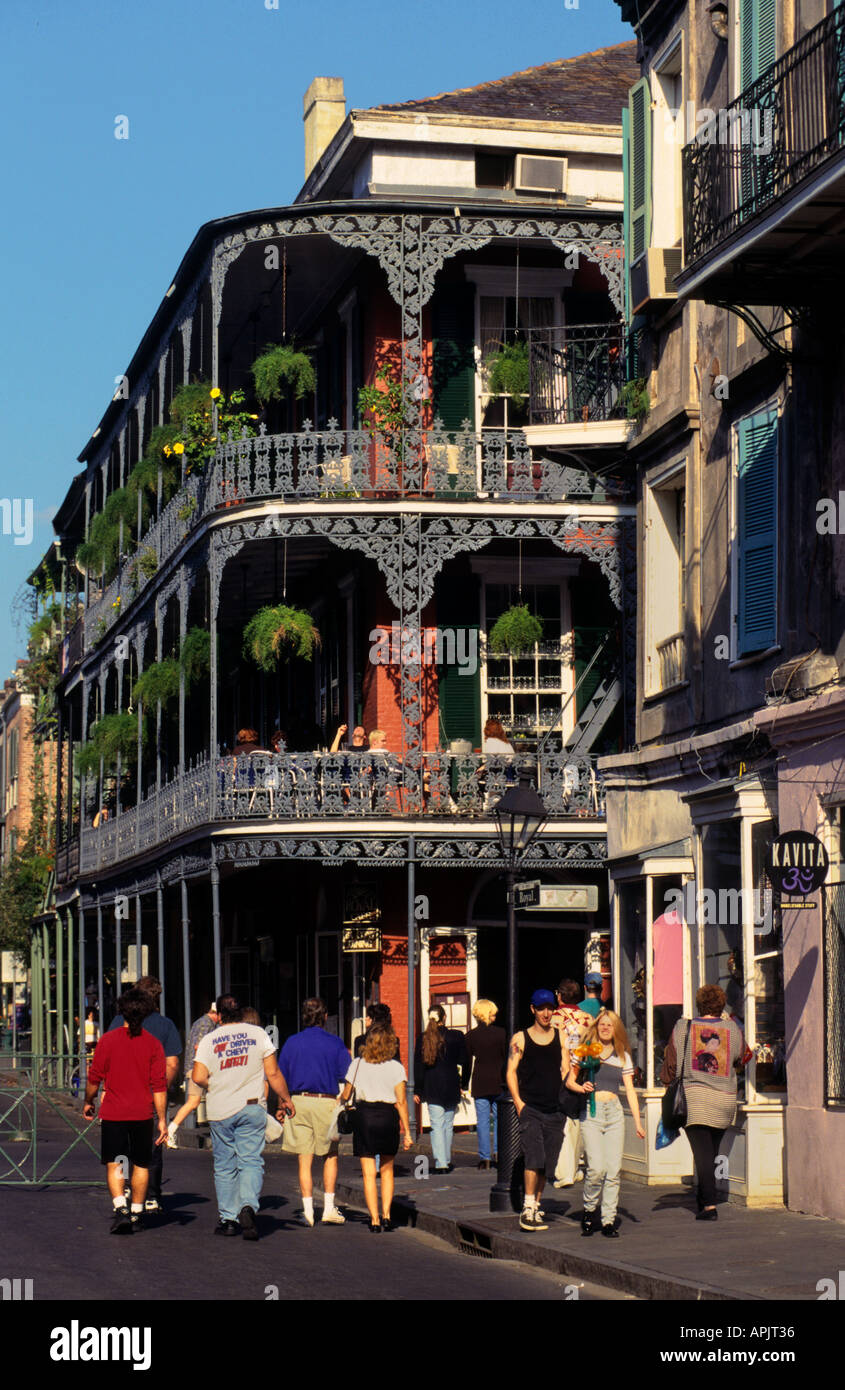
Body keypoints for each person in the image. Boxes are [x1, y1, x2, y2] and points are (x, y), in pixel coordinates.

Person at [192, 994, 295, 1240]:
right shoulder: (258, 1034)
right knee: (250, 1160)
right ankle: (248, 1205)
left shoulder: (209, 1040)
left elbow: (197, 1077)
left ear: (219, 1014)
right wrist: (285, 1098)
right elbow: (273, 1072)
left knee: (225, 1165)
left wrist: (215, 1084)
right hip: (251, 1106)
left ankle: (228, 1219)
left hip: (220, 1109)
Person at [83, 988, 168, 1234]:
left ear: (121, 1011)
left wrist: (88, 1101)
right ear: (146, 1014)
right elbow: (159, 1086)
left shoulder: (107, 1041)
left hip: (114, 1113)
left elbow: (94, 1078)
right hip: (142, 1113)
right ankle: (137, 1212)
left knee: (117, 1162)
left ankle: (120, 1207)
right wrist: (161, 1119)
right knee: (141, 1164)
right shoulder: (153, 1044)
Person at [661, 984, 745, 1221]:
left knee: (702, 1154)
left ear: (699, 1004)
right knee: (711, 1151)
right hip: (725, 1099)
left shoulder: (683, 1026)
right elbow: (741, 1056)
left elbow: (671, 1060)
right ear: (722, 1005)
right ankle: (703, 1198)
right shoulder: (732, 1029)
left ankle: (709, 1205)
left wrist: (666, 1082)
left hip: (695, 1098)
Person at [566, 1009, 644, 1238]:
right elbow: (570, 1079)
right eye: (602, 1024)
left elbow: (629, 1090)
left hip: (614, 1114)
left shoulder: (622, 1056)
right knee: (596, 1168)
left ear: (616, 1028)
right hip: (592, 1112)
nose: (606, 1028)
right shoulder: (586, 1050)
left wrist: (638, 1122)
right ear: (596, 1027)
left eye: (610, 1025)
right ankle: (590, 1210)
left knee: (613, 1170)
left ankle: (608, 1220)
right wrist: (582, 1088)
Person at [108, 976, 181, 1214]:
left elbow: (108, 1056)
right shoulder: (166, 1025)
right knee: (152, 1146)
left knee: (122, 1145)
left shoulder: (119, 1021)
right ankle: (151, 1195)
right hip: (151, 1095)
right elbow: (172, 1064)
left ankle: (125, 1192)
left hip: (121, 1094)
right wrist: (159, 1087)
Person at [279, 997, 351, 1226]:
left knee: (304, 1159)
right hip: (326, 1102)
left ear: (304, 1017)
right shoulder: (336, 1043)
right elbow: (347, 1075)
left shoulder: (292, 1042)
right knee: (330, 1156)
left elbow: (280, 1077)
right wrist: (344, 1098)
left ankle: (308, 1211)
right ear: (325, 1017)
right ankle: (329, 1207)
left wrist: (282, 1104)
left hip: (299, 1102)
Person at [341, 1024, 413, 1231]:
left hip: (364, 1117)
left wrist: (339, 1101)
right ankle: (387, 1215)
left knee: (368, 1173)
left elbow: (346, 1094)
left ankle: (373, 1219)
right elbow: (401, 1102)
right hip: (388, 1117)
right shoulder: (396, 1067)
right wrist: (407, 1132)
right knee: (387, 1170)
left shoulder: (357, 1064)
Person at [507, 989, 568, 1231]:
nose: (546, 1013)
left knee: (546, 1163)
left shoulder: (560, 1037)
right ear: (532, 1009)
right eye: (541, 1008)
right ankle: (527, 1206)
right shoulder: (520, 1039)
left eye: (550, 1008)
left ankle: (537, 1206)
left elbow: (566, 1070)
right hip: (530, 1107)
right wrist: (519, 1102)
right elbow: (511, 1071)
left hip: (555, 1109)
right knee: (533, 1157)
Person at [413, 1005, 469, 1174]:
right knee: (448, 1125)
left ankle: (441, 1162)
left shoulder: (423, 1038)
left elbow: (418, 1066)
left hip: (432, 1084)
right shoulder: (456, 1036)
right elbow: (466, 1061)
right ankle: (446, 1159)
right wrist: (464, 1084)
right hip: (452, 1083)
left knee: (437, 1125)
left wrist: (418, 1089)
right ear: (444, 1018)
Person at [552, 979, 591, 1187]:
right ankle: (575, 1168)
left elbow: (554, 1047)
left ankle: (565, 1171)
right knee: (576, 1123)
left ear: (559, 995)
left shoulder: (556, 1018)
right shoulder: (587, 1017)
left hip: (561, 1073)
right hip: (584, 1071)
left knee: (563, 1125)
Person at [465, 998, 507, 1169]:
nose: (495, 1016)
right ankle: (498, 1152)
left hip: (480, 1080)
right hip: (499, 1080)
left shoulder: (471, 1036)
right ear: (488, 1014)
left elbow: (467, 1062)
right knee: (499, 1119)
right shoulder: (502, 1033)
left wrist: (463, 1083)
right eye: (494, 1014)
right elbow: (506, 1058)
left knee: (482, 1121)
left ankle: (485, 1157)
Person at [184, 1001, 220, 1126]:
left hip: (194, 1067)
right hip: (197, 1069)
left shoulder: (200, 1022)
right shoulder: (206, 1024)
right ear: (216, 1014)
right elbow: (198, 1046)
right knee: (193, 1101)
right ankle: (172, 1128)